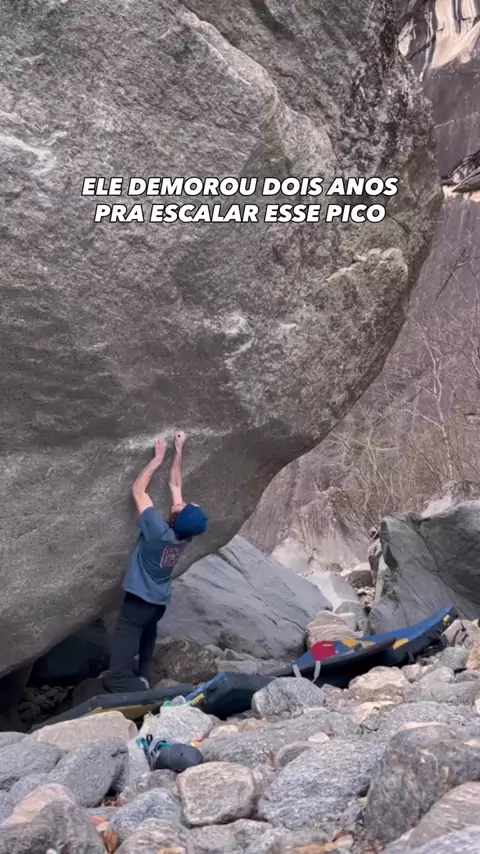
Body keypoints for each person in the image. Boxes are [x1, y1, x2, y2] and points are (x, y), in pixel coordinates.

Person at [105, 431, 208, 693]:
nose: (182, 502)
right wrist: (179, 449)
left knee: (124, 645)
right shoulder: (183, 536)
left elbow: (138, 491)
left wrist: (156, 460)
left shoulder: (158, 533)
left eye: (184, 506)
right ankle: (144, 677)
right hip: (158, 603)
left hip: (138, 602)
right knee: (147, 638)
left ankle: (124, 684)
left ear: (175, 516)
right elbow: (175, 485)